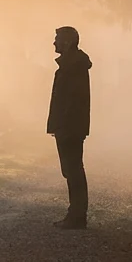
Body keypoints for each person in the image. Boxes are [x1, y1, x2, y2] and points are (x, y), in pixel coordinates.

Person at [47, 26, 92, 229]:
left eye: (57, 39)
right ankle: (75, 213)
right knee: (71, 169)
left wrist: (63, 126)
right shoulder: (71, 66)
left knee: (73, 169)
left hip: (70, 127)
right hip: (70, 126)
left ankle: (76, 216)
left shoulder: (72, 68)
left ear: (66, 42)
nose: (54, 43)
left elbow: (72, 101)